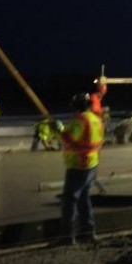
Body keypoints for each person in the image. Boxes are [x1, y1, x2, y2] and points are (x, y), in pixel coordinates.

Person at [58, 93, 105, 245]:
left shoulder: (80, 120)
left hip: (79, 165)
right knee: (84, 199)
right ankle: (88, 232)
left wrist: (59, 130)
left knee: (69, 200)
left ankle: (67, 236)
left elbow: (69, 139)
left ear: (75, 106)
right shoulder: (95, 119)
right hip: (92, 163)